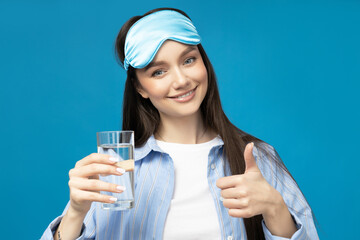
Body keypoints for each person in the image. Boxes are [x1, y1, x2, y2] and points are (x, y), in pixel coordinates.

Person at [41, 7, 319, 240]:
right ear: (140, 88)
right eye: (158, 71)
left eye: (188, 60)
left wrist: (275, 208)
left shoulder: (256, 158)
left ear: (204, 63)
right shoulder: (116, 168)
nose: (181, 80)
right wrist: (76, 212)